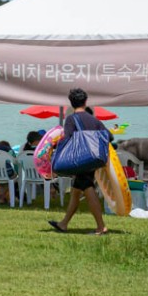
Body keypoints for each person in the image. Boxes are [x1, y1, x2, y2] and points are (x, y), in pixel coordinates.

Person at [49, 88, 109, 236]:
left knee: (88, 188)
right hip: (92, 159)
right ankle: (64, 224)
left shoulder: (71, 119)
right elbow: (109, 137)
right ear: (86, 101)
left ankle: (101, 227)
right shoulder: (94, 120)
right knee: (76, 191)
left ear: (71, 103)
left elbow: (67, 138)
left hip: (80, 160)